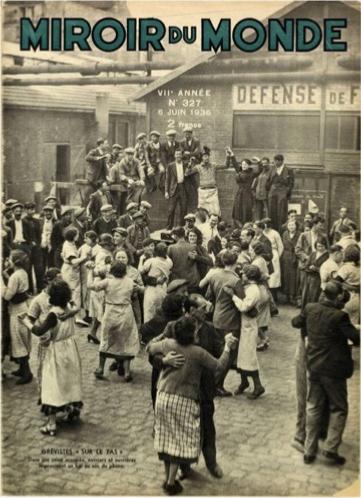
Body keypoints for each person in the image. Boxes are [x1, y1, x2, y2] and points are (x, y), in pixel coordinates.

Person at [148, 316, 237, 495]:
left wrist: (165, 360)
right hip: (185, 400)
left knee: (166, 438)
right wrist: (227, 347)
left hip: (163, 396)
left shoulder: (168, 344)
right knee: (179, 441)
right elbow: (219, 366)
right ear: (192, 334)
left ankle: (168, 478)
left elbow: (149, 347)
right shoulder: (198, 353)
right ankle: (171, 482)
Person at [292, 281, 359, 465]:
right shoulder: (340, 317)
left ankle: (309, 450)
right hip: (334, 370)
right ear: (338, 297)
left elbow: (295, 322)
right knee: (339, 408)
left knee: (313, 406)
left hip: (314, 366)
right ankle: (330, 448)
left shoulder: (310, 308)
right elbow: (356, 338)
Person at [23, 279, 83, 436]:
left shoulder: (53, 314)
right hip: (70, 348)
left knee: (52, 384)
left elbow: (38, 331)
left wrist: (26, 322)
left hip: (56, 350)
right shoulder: (70, 308)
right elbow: (76, 305)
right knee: (70, 380)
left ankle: (51, 424)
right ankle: (72, 409)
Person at [89, 261, 140, 382]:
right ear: (124, 271)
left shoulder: (108, 282)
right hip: (126, 312)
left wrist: (91, 273)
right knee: (126, 340)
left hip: (111, 312)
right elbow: (140, 290)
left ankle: (100, 368)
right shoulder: (129, 281)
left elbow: (91, 286)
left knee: (106, 339)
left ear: (112, 271)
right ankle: (127, 372)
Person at [224, 264, 265, 398]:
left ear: (249, 276)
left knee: (249, 357)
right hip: (243, 325)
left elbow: (243, 307)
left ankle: (258, 386)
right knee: (241, 357)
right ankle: (244, 382)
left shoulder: (254, 290)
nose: (242, 275)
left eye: (244, 274)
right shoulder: (249, 287)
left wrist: (232, 296)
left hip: (249, 327)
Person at [205, 250, 243, 396]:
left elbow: (209, 295)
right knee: (228, 354)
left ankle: (214, 383)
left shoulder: (215, 275)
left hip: (217, 317)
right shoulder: (235, 280)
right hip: (231, 321)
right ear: (235, 263)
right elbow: (241, 300)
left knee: (218, 351)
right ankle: (218, 384)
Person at [27, 267, 61, 399]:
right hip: (46, 340)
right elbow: (30, 319)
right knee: (45, 367)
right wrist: (40, 332)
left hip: (60, 339)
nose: (61, 282)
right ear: (49, 281)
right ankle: (45, 394)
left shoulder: (61, 295)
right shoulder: (39, 300)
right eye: (58, 279)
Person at [2, 250, 32, 385]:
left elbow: (8, 295)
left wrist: (2, 285)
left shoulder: (15, 276)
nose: (7, 261)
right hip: (23, 309)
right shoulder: (23, 273)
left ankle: (27, 373)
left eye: (9, 259)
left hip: (16, 311)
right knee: (23, 339)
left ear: (15, 262)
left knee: (19, 340)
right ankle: (21, 369)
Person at [88, 233, 113, 345]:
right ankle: (104, 338)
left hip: (97, 282)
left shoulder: (101, 253)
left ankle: (92, 333)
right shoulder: (105, 255)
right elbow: (101, 271)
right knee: (102, 311)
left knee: (98, 311)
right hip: (100, 283)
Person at [60, 227, 89, 326]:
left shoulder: (69, 244)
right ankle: (77, 317)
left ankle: (72, 314)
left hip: (69, 271)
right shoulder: (69, 246)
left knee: (72, 293)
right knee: (75, 293)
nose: (78, 236)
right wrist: (84, 258)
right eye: (77, 234)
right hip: (71, 272)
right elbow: (73, 262)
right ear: (73, 236)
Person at [141, 242, 173, 322]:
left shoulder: (151, 261)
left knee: (149, 312)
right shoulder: (169, 261)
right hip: (163, 288)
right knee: (161, 311)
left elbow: (141, 271)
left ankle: (148, 331)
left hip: (152, 289)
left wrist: (142, 260)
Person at [115, 249, 144, 332]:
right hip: (117, 302)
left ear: (128, 259)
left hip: (133, 301)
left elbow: (143, 288)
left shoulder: (134, 271)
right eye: (118, 257)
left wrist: (138, 288)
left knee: (137, 322)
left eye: (123, 257)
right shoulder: (110, 271)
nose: (120, 259)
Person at [226, 150, 257, 227]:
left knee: (245, 210)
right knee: (238, 210)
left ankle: (246, 226)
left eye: (245, 164)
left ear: (249, 166)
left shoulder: (251, 173)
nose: (243, 166)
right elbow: (235, 164)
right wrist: (232, 155)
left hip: (247, 194)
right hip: (240, 193)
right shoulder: (240, 171)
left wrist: (259, 162)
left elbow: (260, 170)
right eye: (243, 164)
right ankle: (239, 227)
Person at [187, 147, 221, 217]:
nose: (206, 158)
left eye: (207, 156)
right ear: (202, 158)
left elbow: (226, 166)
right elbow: (187, 173)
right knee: (202, 211)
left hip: (213, 192)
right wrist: (190, 163)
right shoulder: (198, 167)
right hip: (202, 193)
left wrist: (229, 156)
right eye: (204, 156)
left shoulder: (213, 165)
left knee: (215, 211)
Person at [168, 227, 200, 293]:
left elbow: (168, 265)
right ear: (185, 235)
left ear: (175, 236)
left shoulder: (171, 248)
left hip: (177, 282)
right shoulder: (193, 247)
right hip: (192, 281)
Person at [267, 154, 294, 231]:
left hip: (282, 193)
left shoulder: (288, 170)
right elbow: (268, 181)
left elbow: (291, 183)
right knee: (271, 212)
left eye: (276, 161)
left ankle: (281, 231)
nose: (274, 163)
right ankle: (272, 230)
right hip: (272, 193)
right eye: (274, 161)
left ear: (281, 161)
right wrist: (270, 190)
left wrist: (286, 192)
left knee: (281, 213)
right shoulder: (272, 169)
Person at [336, 245, 360, 327]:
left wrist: (344, 285)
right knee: (355, 323)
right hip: (358, 298)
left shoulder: (345, 268)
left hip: (348, 297)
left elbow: (336, 282)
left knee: (345, 323)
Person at [301, 236, 329, 309]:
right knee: (306, 296)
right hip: (309, 278)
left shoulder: (327, 256)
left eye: (321, 246)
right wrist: (307, 267)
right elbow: (307, 264)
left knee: (314, 296)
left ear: (325, 245)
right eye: (318, 246)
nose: (319, 248)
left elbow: (327, 269)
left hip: (318, 279)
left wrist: (316, 269)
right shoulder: (313, 253)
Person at [164, 149, 187, 230]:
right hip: (173, 189)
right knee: (171, 210)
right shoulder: (170, 165)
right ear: (174, 156)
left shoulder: (185, 164)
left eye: (179, 154)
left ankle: (182, 227)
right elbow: (167, 179)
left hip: (183, 188)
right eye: (177, 154)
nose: (178, 156)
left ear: (181, 156)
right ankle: (169, 228)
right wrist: (166, 191)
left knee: (183, 209)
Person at [263, 218, 284, 303]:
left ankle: (274, 297)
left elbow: (280, 246)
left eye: (267, 225)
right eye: (264, 225)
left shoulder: (275, 233)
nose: (266, 228)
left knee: (274, 277)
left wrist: (277, 256)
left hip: (273, 254)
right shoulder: (263, 233)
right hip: (265, 255)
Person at [281, 219, 302, 304]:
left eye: (293, 225)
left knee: (294, 277)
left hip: (295, 257)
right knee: (286, 276)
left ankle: (293, 296)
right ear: (287, 226)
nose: (291, 227)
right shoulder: (285, 234)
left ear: (296, 226)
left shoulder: (300, 234)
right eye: (289, 225)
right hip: (286, 257)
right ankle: (286, 296)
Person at [84, 138, 110, 203]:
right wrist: (96, 158)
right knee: (89, 195)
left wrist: (107, 175)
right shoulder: (94, 151)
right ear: (101, 144)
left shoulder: (104, 153)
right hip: (92, 177)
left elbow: (104, 167)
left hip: (100, 178)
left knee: (102, 192)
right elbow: (87, 157)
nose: (107, 145)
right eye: (105, 144)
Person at [39, 204, 55, 272]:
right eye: (46, 211)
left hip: (52, 246)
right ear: (44, 212)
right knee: (42, 264)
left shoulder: (55, 222)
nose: (48, 213)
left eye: (50, 211)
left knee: (51, 264)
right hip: (42, 246)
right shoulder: (40, 221)